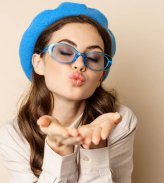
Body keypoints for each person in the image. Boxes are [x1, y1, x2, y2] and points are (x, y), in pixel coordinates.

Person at [0, 2, 138, 183]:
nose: (80, 64)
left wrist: (95, 150)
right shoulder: (13, 135)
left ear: (101, 76)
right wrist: (59, 151)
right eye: (65, 51)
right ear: (38, 63)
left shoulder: (119, 121)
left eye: (93, 58)